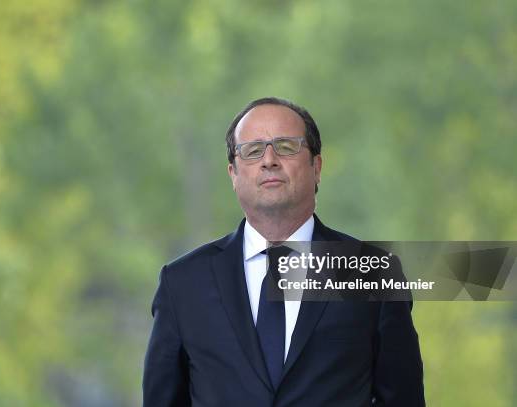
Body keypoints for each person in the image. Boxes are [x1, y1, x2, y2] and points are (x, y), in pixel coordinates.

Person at [143, 97, 425, 406]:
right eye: (252, 151)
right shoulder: (183, 283)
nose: (269, 160)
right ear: (233, 175)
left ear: (316, 167)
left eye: (286, 146)